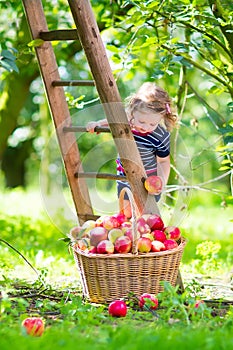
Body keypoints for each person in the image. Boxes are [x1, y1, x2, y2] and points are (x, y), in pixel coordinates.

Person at [86, 82, 178, 218]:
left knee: (145, 215)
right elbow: (112, 119)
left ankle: (143, 236)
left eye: (152, 124)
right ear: (132, 112)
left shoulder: (161, 136)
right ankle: (129, 234)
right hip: (124, 175)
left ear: (161, 118)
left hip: (147, 179)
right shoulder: (127, 121)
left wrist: (161, 181)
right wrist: (98, 124)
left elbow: (164, 161)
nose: (145, 127)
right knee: (126, 213)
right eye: (141, 121)